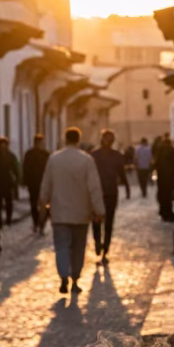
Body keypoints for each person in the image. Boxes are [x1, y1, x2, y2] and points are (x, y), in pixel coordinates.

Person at [38, 126, 105, 294]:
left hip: (59, 213)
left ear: (65, 139)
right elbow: (94, 187)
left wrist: (42, 204)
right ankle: (75, 279)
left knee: (61, 247)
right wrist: (99, 210)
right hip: (81, 213)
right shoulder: (86, 160)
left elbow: (46, 184)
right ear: (79, 139)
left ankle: (63, 278)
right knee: (78, 248)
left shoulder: (54, 159)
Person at [91, 129, 130, 263]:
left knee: (104, 221)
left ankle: (104, 248)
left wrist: (127, 188)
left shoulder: (96, 155)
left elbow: (122, 174)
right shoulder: (95, 155)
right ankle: (100, 245)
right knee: (101, 221)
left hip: (107, 192)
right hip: (103, 192)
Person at [23, 133, 50, 234]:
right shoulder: (42, 154)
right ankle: (38, 223)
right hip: (36, 183)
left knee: (40, 204)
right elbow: (25, 168)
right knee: (36, 204)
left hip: (38, 182)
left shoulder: (44, 154)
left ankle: (39, 223)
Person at [154, 134, 174, 222]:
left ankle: (164, 211)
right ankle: (168, 212)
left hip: (162, 178)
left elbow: (156, 164)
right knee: (169, 195)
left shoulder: (160, 151)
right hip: (171, 177)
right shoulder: (173, 151)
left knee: (163, 195)